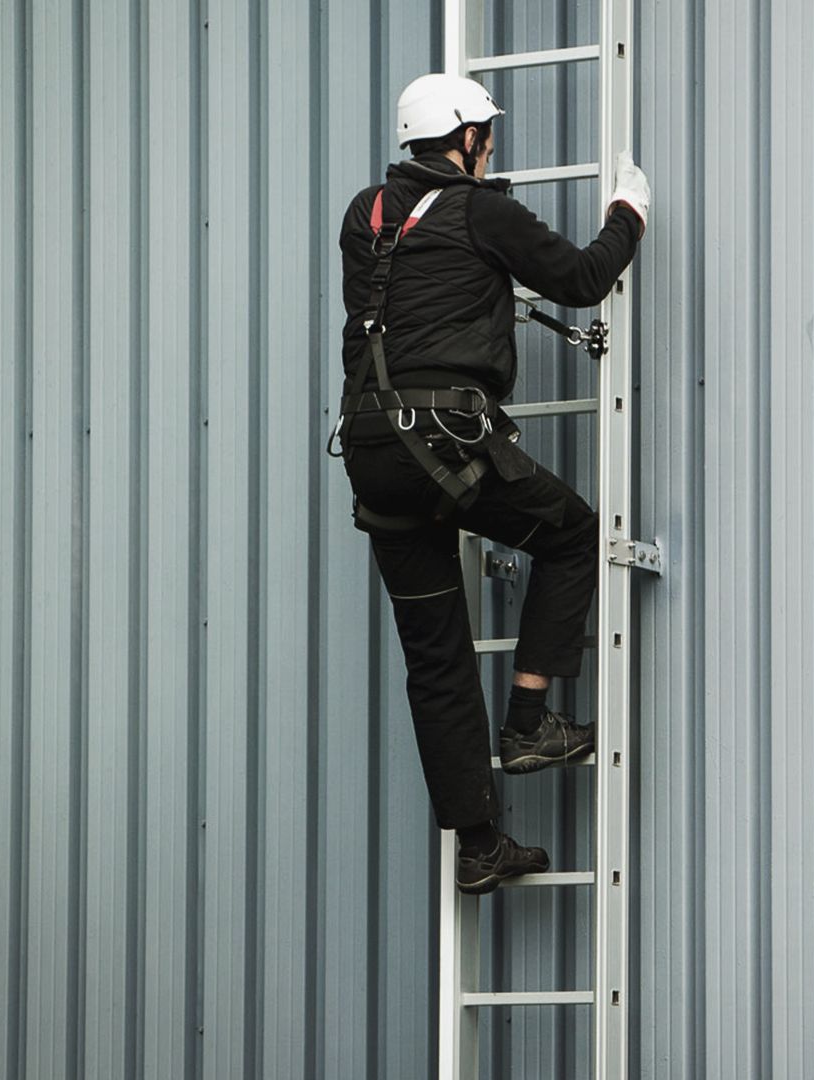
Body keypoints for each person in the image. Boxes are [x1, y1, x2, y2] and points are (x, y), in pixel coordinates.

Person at [332, 73, 649, 894]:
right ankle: (530, 721)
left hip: (372, 450)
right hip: (444, 438)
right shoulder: (482, 212)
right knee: (573, 534)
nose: (493, 146)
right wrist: (629, 216)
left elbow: (424, 300)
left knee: (435, 657)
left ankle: (481, 846)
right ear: (466, 137)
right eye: (488, 134)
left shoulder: (365, 218)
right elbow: (581, 280)